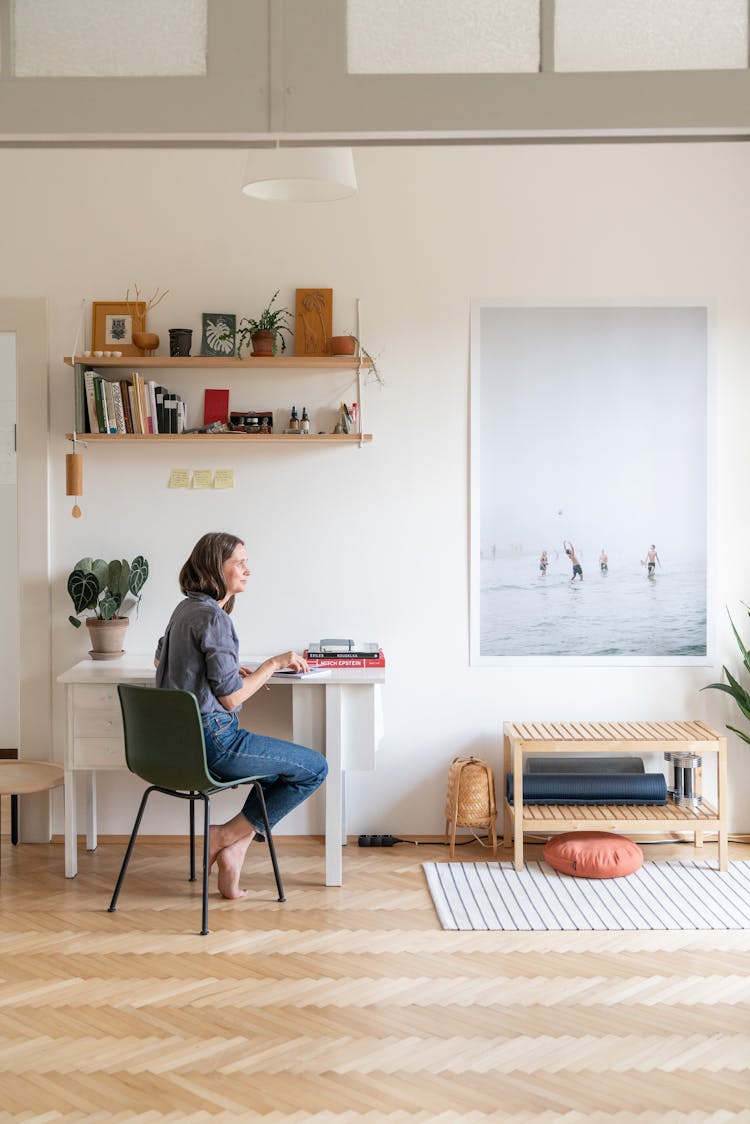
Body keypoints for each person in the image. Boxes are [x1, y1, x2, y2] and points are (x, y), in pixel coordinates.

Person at [154, 532, 328, 900]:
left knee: (274, 772)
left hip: (175, 745)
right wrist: (274, 664)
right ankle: (224, 837)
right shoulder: (214, 619)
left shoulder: (185, 610)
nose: (247, 570)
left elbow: (161, 660)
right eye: (239, 562)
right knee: (314, 768)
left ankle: (234, 849)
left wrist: (230, 671)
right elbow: (231, 701)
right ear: (216, 568)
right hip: (214, 743)